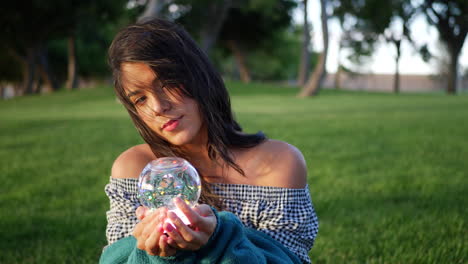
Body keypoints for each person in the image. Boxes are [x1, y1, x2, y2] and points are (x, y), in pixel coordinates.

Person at [100, 18, 319, 264]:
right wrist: (155, 256)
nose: (159, 107)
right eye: (140, 99)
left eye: (168, 84)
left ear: (199, 76)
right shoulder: (135, 169)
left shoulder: (279, 163)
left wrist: (219, 238)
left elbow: (287, 260)